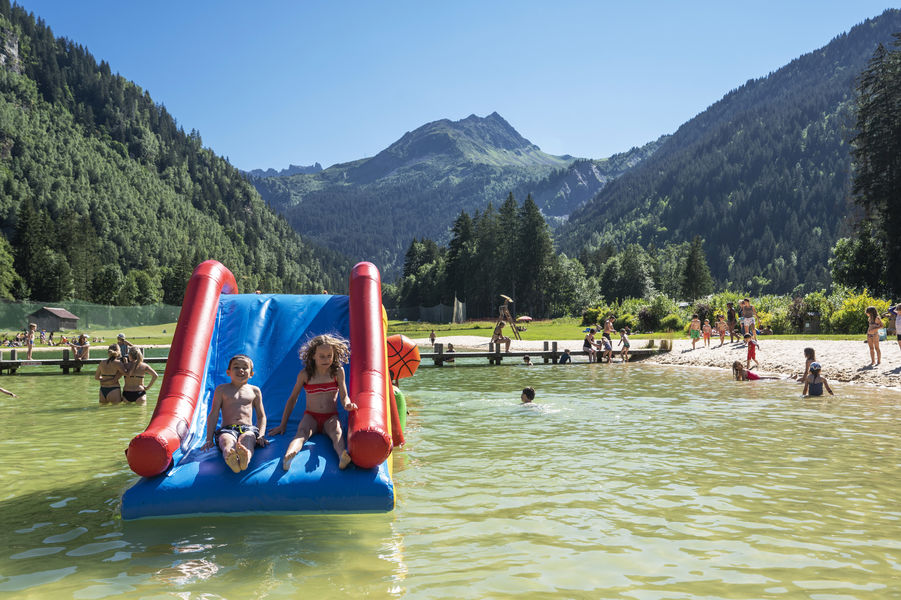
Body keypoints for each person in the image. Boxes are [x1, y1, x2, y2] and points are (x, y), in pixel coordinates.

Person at [268, 334, 358, 471]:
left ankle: (342, 456)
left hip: (330, 416)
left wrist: (347, 404)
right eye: (321, 356)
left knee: (337, 432)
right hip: (311, 416)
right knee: (301, 433)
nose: (326, 359)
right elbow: (293, 399)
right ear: (313, 356)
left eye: (329, 355)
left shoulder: (337, 372)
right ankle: (289, 455)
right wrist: (283, 424)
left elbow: (344, 396)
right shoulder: (305, 375)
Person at [202, 354, 268, 473]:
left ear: (251, 373)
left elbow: (261, 416)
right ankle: (230, 457)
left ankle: (245, 458)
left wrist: (261, 435)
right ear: (228, 372)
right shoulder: (221, 389)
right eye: (236, 367)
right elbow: (214, 414)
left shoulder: (255, 390)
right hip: (227, 429)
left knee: (247, 440)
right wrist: (209, 439)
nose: (241, 370)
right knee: (226, 441)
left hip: (248, 428)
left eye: (245, 367)